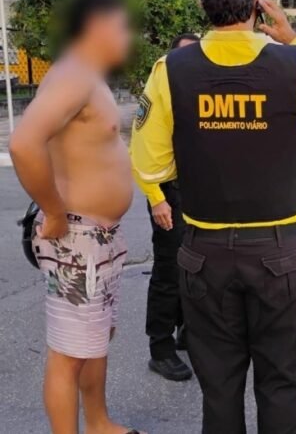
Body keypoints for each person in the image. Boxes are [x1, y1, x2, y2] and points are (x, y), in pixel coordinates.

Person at [130, 0, 296, 432]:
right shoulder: (294, 63)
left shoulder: (170, 71)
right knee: (283, 383)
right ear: (257, 3)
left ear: (203, 4)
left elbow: (150, 164)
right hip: (280, 254)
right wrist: (293, 38)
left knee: (219, 388)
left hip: (205, 255)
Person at [8, 0, 140, 434]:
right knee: (68, 354)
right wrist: (54, 212)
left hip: (100, 237)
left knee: (95, 340)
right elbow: (23, 144)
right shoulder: (72, 75)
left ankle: (99, 423)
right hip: (76, 238)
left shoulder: (90, 76)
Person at [133, 33, 200, 382]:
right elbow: (141, 148)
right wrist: (155, 198)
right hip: (169, 195)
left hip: (200, 196)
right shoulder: (160, 90)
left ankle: (187, 331)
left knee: (196, 269)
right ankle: (160, 349)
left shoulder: (200, 90)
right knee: (168, 273)